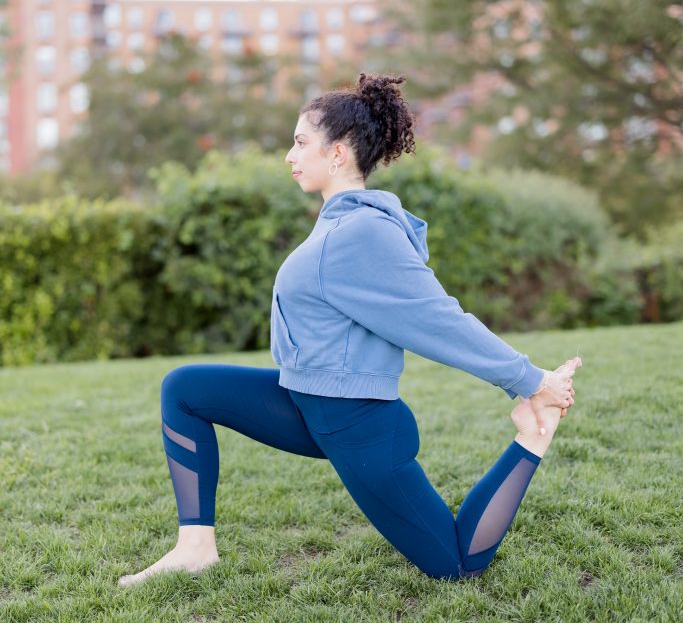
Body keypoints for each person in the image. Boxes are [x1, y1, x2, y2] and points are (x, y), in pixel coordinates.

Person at [118, 73, 581, 588]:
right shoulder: (339, 223)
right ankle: (195, 547)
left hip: (358, 428)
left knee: (455, 562)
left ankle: (531, 439)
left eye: (300, 142)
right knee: (184, 389)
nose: (289, 155)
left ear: (337, 153)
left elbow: (439, 320)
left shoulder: (363, 232)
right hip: (307, 403)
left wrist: (530, 379)